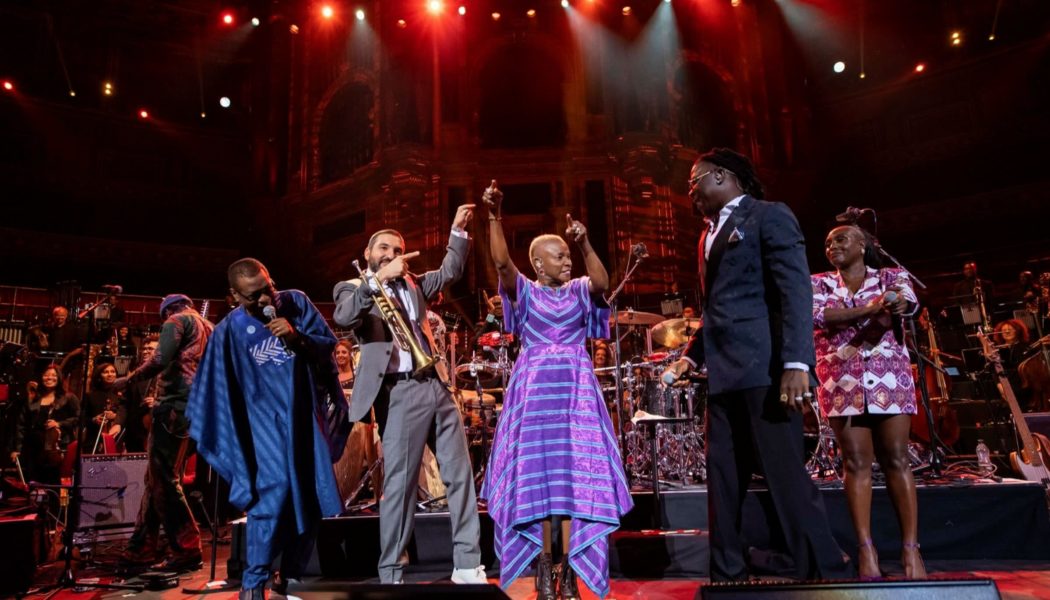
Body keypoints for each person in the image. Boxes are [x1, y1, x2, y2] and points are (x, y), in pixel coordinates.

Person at [661, 148, 853, 582]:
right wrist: (690, 357)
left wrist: (797, 362)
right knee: (722, 478)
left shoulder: (768, 215)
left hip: (766, 371)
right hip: (724, 377)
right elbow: (715, 310)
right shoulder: (705, 236)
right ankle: (727, 574)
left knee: (784, 474)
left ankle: (823, 571)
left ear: (724, 176)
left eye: (695, 181)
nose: (689, 190)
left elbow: (794, 293)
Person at [479, 181, 632, 599]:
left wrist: (584, 245)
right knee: (538, 481)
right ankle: (545, 570)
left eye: (567, 255)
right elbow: (501, 263)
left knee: (572, 482)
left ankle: (568, 573)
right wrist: (494, 216)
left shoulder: (580, 290)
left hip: (576, 396)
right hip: (534, 398)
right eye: (559, 255)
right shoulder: (525, 291)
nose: (566, 261)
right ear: (538, 263)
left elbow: (601, 281)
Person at [332, 205, 486, 586]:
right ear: (369, 254)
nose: (392, 254)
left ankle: (467, 563)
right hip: (399, 392)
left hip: (436, 384)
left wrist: (457, 232)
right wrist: (377, 279)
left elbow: (450, 271)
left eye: (397, 250)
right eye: (384, 248)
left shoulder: (414, 284)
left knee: (460, 477)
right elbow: (344, 318)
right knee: (400, 485)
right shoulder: (353, 287)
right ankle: (392, 572)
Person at [187, 259, 350, 599]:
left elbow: (327, 348)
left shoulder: (294, 303)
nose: (264, 300)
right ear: (234, 296)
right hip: (263, 428)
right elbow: (213, 390)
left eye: (267, 289)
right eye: (253, 296)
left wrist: (297, 337)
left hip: (304, 420)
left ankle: (289, 576)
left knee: (311, 495)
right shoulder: (228, 332)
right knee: (271, 498)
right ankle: (253, 582)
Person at [811, 224, 926, 580]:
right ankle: (866, 550)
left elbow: (907, 304)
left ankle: (910, 551)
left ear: (863, 245)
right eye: (828, 241)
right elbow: (819, 316)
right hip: (841, 381)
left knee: (896, 460)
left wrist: (895, 302)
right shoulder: (818, 283)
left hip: (890, 380)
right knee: (856, 464)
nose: (832, 246)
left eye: (841, 239)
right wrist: (872, 308)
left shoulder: (893, 275)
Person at [113, 294, 212, 572]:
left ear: (168, 309)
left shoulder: (176, 321)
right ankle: (141, 548)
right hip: (196, 409)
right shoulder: (209, 326)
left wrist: (128, 379)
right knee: (156, 479)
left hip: (172, 407)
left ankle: (187, 548)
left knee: (164, 480)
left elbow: (159, 359)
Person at [8, 366, 79, 485]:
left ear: (59, 378)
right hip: (34, 449)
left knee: (54, 483)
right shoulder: (33, 399)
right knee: (33, 483)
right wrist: (17, 449)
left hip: (57, 449)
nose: (49, 378)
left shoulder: (69, 398)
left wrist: (59, 424)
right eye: (46, 375)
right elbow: (21, 425)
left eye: (53, 375)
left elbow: (78, 418)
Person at [121, 338, 160, 453]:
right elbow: (125, 403)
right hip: (135, 433)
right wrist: (118, 423)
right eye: (144, 348)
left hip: (158, 432)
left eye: (150, 349)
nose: (145, 351)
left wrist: (158, 402)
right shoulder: (136, 375)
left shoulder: (169, 373)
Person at [83, 361, 124, 453]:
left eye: (113, 372)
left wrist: (115, 417)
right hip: (94, 439)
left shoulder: (122, 395)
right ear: (99, 376)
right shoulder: (90, 396)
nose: (110, 374)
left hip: (117, 439)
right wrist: (94, 419)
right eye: (106, 372)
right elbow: (82, 418)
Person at [995, 319, 1034, 411]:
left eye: (1010, 329)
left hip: (1024, 388)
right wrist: (1000, 386)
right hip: (1004, 386)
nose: (1007, 332)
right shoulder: (997, 351)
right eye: (1004, 330)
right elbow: (995, 371)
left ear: (1018, 330)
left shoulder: (1026, 348)